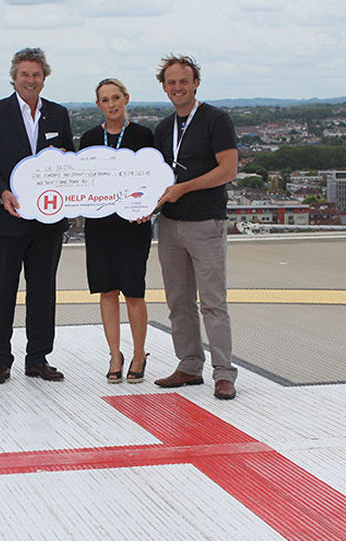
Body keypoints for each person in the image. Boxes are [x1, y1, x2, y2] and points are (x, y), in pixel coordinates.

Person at [0, 48, 75, 385]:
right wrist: (2, 192)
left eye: (36, 74)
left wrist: (63, 160)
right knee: (2, 291)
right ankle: (0, 360)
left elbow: (70, 163)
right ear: (14, 77)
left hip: (47, 222)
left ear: (44, 77)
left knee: (43, 292)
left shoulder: (58, 114)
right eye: (24, 74)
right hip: (7, 219)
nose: (30, 80)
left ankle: (38, 358)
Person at [151, 54, 238, 399]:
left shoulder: (216, 120)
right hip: (170, 226)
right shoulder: (162, 128)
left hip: (206, 223)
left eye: (183, 81)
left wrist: (183, 188)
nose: (177, 87)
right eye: (171, 82)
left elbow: (227, 170)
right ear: (163, 87)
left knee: (213, 302)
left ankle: (224, 373)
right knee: (178, 301)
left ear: (196, 83)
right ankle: (188, 366)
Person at [78, 78, 154, 384]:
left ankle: (138, 354)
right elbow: (81, 181)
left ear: (126, 99)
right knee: (106, 291)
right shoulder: (89, 138)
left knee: (133, 292)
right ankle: (114, 354)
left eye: (116, 98)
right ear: (98, 105)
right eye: (105, 100)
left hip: (133, 225)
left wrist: (146, 208)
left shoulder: (143, 135)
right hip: (99, 226)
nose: (111, 104)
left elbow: (153, 178)